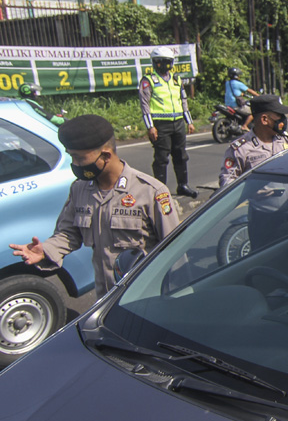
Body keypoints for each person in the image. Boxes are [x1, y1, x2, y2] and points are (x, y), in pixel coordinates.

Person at [9, 115, 179, 298]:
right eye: (71, 156)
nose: (75, 164)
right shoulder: (79, 189)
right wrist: (46, 250)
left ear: (106, 155)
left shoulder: (150, 191)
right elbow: (69, 233)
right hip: (106, 298)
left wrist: (176, 297)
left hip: (144, 296)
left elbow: (176, 248)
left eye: (79, 158)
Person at [139, 46, 198, 198]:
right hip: (160, 124)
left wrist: (189, 121)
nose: (164, 65)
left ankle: (183, 185)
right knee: (161, 157)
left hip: (178, 122)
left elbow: (183, 100)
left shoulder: (177, 79)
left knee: (181, 155)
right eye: (160, 62)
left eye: (168, 62)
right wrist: (150, 126)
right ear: (154, 63)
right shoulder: (148, 81)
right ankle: (160, 191)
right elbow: (144, 104)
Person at [218, 94, 288, 188]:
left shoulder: (287, 140)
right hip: (260, 201)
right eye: (279, 115)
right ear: (264, 119)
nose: (283, 119)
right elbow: (227, 184)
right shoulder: (240, 149)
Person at [225, 67, 259, 132]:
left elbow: (233, 91)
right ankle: (245, 126)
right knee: (252, 113)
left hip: (228, 105)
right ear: (236, 75)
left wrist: (241, 94)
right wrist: (258, 95)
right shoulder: (238, 84)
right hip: (236, 105)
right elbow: (250, 91)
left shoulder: (227, 83)